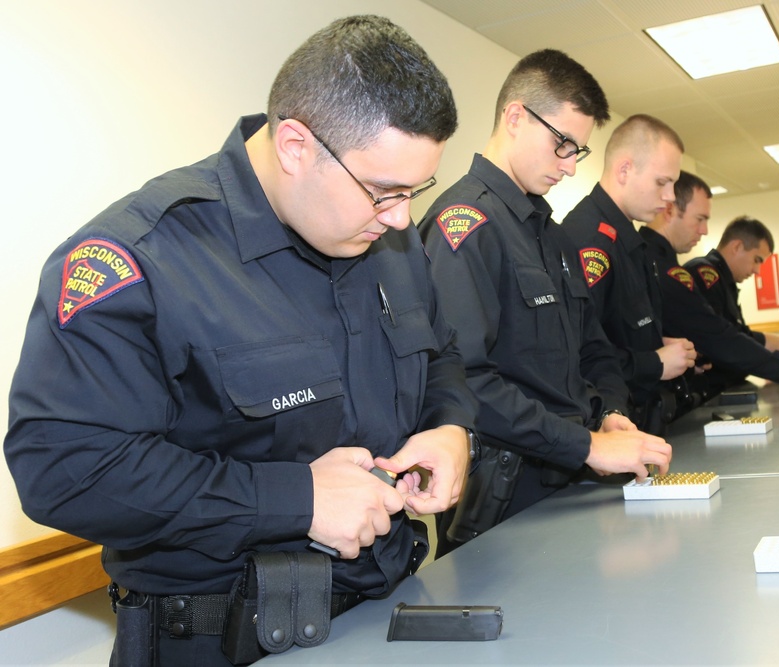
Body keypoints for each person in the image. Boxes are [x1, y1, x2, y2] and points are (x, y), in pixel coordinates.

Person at [4, 16, 477, 666]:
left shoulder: (387, 240)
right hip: (225, 640)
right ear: (294, 145)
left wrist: (450, 429)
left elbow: (441, 353)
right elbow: (64, 469)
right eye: (383, 191)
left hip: (388, 610)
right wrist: (296, 499)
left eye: (413, 191)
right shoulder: (143, 259)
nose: (401, 217)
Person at [418, 50, 672, 556]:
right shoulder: (465, 226)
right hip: (504, 498)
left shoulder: (546, 233)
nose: (569, 166)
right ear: (515, 117)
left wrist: (612, 412)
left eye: (577, 151)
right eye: (562, 145)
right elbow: (466, 380)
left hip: (569, 479)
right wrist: (587, 445)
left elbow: (592, 348)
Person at [641, 171, 779, 398]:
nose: (704, 230)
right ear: (670, 209)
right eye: (700, 219)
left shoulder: (659, 263)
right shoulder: (661, 267)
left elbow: (716, 337)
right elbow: (721, 340)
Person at [561, 114, 698, 433]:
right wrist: (655, 363)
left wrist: (655, 346)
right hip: (610, 426)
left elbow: (618, 330)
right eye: (662, 182)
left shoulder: (627, 240)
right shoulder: (590, 240)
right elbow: (582, 354)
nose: (669, 197)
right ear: (624, 170)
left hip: (642, 417)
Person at [685, 215, 779, 352]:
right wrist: (762, 341)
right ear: (737, 247)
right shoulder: (703, 275)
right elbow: (719, 338)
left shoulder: (725, 282)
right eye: (756, 260)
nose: (757, 271)